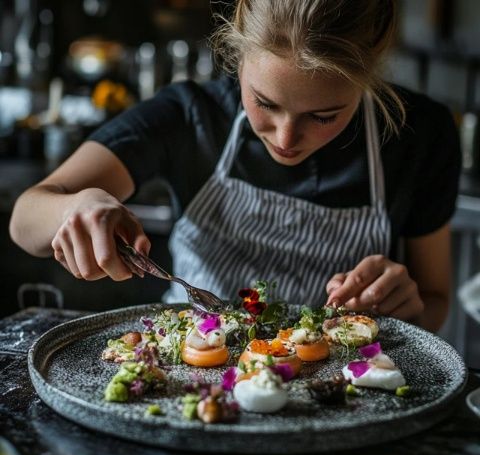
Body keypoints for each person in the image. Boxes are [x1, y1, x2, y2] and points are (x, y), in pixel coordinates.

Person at [9, 0, 460, 332]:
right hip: (190, 372)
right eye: (264, 103)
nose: (285, 139)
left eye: (324, 116)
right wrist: (75, 209)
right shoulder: (189, 116)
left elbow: (435, 301)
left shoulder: (420, 135)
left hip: (340, 400)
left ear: (371, 75)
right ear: (238, 56)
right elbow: (26, 217)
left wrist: (408, 305)